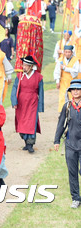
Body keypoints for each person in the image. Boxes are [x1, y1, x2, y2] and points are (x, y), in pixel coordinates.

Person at [54, 79, 81, 209]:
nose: (75, 92)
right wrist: (56, 140)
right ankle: (76, 198)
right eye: (73, 89)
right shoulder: (67, 106)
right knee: (72, 172)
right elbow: (61, 125)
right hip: (70, 143)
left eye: (78, 89)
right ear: (70, 92)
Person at [11, 56, 44, 153]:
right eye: (23, 65)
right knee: (22, 121)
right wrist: (14, 101)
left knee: (31, 121)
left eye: (26, 65)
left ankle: (30, 144)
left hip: (32, 101)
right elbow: (14, 89)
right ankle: (26, 141)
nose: (23, 67)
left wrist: (40, 106)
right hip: (21, 102)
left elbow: (41, 92)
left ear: (30, 66)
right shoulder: (19, 76)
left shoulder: (38, 77)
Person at [54, 45, 79, 112]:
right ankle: (63, 112)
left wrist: (65, 68)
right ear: (64, 52)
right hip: (63, 82)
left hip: (72, 82)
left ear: (71, 52)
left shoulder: (75, 60)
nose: (67, 53)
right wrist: (57, 81)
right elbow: (57, 71)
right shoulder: (60, 60)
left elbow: (76, 72)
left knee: (72, 96)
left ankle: (73, 111)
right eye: (66, 52)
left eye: (69, 52)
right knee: (62, 97)